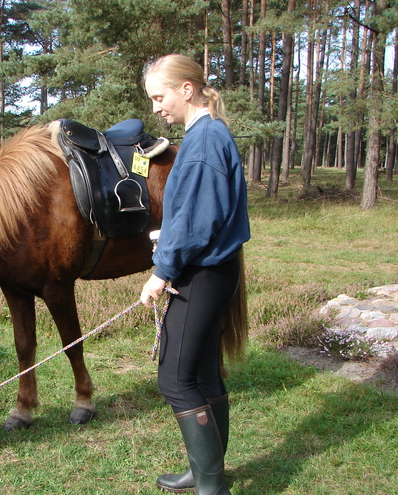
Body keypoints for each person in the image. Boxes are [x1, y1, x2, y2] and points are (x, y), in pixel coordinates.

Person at [139, 54, 250, 494]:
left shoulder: (204, 141)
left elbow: (198, 223)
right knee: (203, 374)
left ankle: (211, 486)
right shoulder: (208, 135)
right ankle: (207, 472)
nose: (156, 108)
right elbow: (202, 213)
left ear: (187, 89)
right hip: (215, 270)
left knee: (176, 379)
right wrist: (170, 233)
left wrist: (161, 270)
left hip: (201, 276)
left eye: (159, 96)